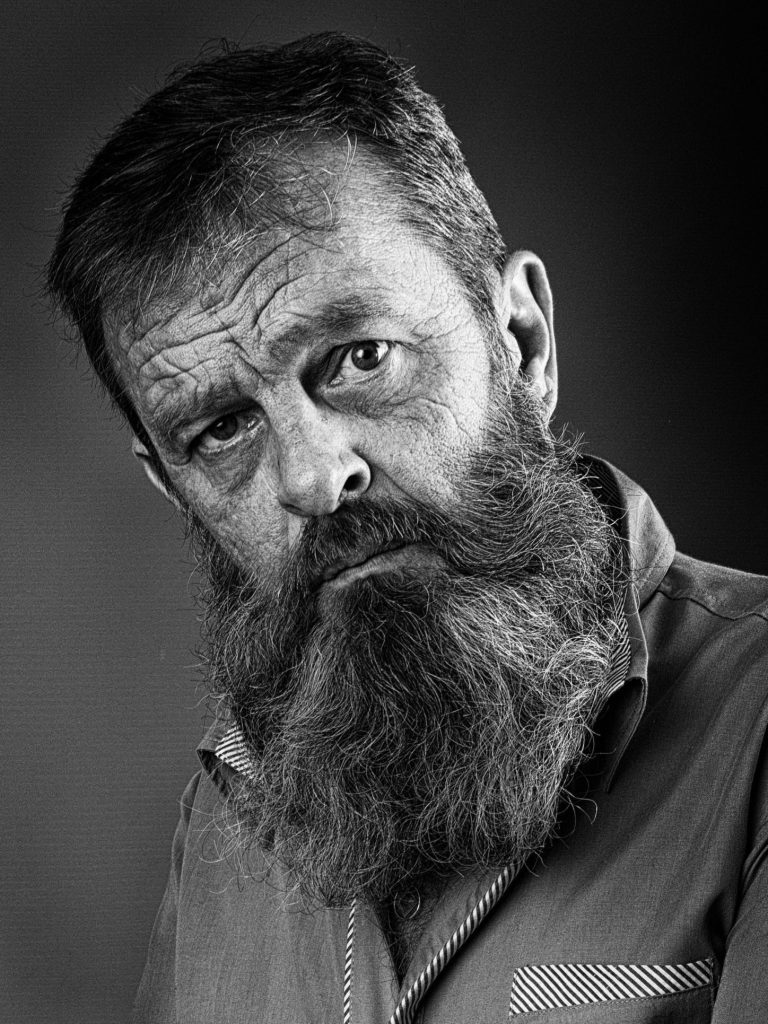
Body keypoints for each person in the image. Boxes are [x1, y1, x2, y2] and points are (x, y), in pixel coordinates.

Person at [47, 31, 767, 1024]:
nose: (313, 476)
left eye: (361, 357)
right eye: (222, 429)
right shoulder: (223, 812)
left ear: (521, 340)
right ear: (175, 489)